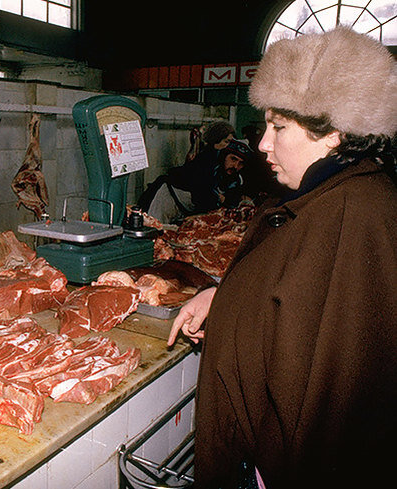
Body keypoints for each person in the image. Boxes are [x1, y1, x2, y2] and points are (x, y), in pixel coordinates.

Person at [167, 27, 396, 488]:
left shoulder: (354, 215)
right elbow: (294, 299)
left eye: (279, 127)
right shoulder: (328, 198)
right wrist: (224, 296)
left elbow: (336, 392)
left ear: (332, 132)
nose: (262, 145)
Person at [137, 132, 253, 223]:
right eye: (233, 159)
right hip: (167, 198)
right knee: (154, 235)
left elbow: (231, 198)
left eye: (241, 163)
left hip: (187, 207)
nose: (236, 166)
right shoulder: (207, 164)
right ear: (225, 155)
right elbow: (206, 198)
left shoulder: (235, 178)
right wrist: (223, 200)